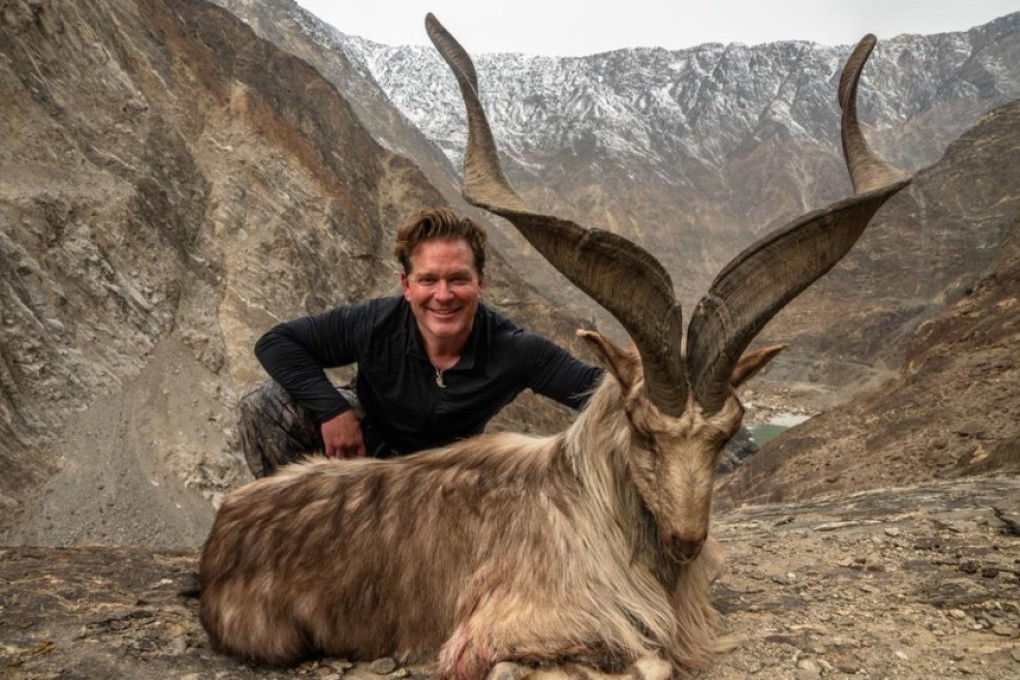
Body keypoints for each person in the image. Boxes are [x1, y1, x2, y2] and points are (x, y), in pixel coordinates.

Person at [238, 207, 603, 478]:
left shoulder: (516, 350)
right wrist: (332, 410)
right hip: (364, 450)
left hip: (445, 473)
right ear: (406, 285)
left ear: (481, 283)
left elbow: (600, 391)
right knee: (264, 404)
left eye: (458, 279)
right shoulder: (376, 322)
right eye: (428, 280)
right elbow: (276, 342)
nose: (443, 296)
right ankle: (299, 542)